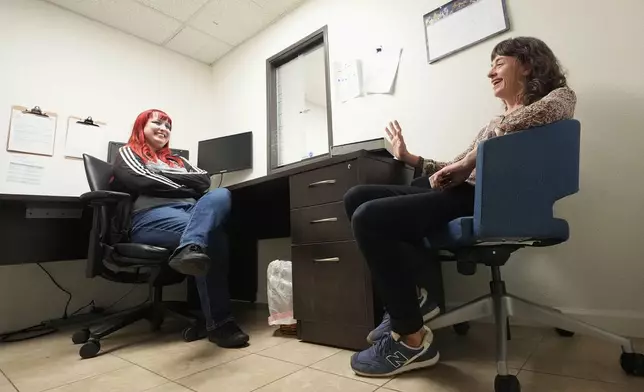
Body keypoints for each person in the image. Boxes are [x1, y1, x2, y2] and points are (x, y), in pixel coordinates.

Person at [344, 37, 577, 377]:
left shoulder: (558, 98)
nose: (490, 72)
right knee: (357, 197)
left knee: (370, 218)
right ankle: (416, 299)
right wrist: (410, 158)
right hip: (462, 193)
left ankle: (410, 339)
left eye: (499, 63)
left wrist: (471, 159)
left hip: (493, 199)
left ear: (527, 65)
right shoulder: (491, 126)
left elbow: (546, 114)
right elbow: (451, 167)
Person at [110, 109, 249, 348]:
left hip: (191, 215)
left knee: (220, 193)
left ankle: (191, 246)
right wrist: (183, 185)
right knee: (214, 237)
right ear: (141, 126)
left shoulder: (179, 161)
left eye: (168, 126)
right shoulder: (128, 152)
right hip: (151, 218)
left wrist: (165, 177)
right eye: (157, 123)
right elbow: (140, 179)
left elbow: (204, 180)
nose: (164, 128)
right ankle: (220, 324)